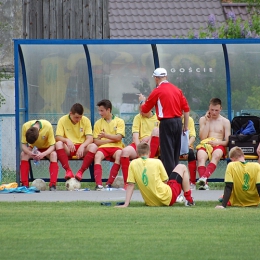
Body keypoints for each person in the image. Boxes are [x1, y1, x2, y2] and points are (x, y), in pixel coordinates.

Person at [138, 67, 190, 177]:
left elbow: (145, 109)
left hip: (166, 123)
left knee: (167, 153)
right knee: (176, 152)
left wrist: (142, 101)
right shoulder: (177, 90)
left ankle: (171, 181)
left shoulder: (157, 91)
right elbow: (186, 109)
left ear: (156, 79)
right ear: (166, 76)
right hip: (178, 122)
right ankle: (178, 179)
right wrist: (185, 126)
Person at [115, 143, 195, 207]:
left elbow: (130, 185)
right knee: (182, 167)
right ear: (149, 153)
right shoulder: (157, 162)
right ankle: (189, 200)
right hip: (167, 198)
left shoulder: (132, 164)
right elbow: (165, 181)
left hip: (151, 203)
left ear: (137, 153)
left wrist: (126, 204)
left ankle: (180, 198)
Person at [55, 103, 97, 181]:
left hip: (81, 149)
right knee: (58, 144)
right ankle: (68, 171)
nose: (78, 120)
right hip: (69, 148)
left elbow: (90, 138)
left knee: (93, 146)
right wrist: (66, 140)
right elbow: (57, 137)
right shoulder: (62, 120)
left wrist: (82, 146)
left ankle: (80, 172)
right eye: (76, 117)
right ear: (70, 114)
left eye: (80, 117)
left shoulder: (86, 120)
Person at [196, 98, 231, 190]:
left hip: (218, 144)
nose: (214, 112)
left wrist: (217, 142)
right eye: (212, 110)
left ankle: (204, 178)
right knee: (200, 157)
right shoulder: (203, 119)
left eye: (216, 110)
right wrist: (208, 121)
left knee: (216, 155)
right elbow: (202, 137)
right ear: (209, 108)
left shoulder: (225, 122)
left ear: (220, 109)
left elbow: (227, 141)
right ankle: (204, 184)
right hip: (206, 143)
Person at [120, 109, 160, 189]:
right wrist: (140, 149)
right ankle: (127, 183)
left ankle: (145, 166)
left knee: (156, 130)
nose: (141, 112)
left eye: (143, 109)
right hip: (139, 144)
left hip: (154, 145)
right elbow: (135, 137)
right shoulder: (137, 117)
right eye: (140, 109)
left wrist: (149, 138)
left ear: (149, 107)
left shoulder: (159, 117)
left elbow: (162, 133)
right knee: (124, 152)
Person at [93, 99, 125, 190]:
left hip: (116, 147)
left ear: (109, 110)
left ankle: (109, 183)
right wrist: (111, 140)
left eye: (102, 110)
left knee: (119, 155)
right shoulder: (98, 123)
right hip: (103, 148)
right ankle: (98, 184)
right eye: (99, 110)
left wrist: (105, 136)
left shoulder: (119, 121)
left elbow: (119, 137)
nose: (100, 113)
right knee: (97, 156)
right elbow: (96, 141)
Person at [20, 120, 59, 191]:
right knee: (23, 154)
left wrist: (43, 154)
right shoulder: (25, 126)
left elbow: (53, 146)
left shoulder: (48, 126)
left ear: (39, 135)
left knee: (54, 154)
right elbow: (23, 145)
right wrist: (30, 153)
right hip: (34, 149)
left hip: (46, 149)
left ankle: (53, 185)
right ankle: (24, 184)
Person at [180, 114, 197, 190]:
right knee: (165, 155)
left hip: (186, 145)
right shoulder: (171, 119)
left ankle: (192, 182)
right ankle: (170, 182)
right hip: (174, 147)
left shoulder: (189, 119)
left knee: (191, 154)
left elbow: (193, 136)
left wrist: (185, 147)